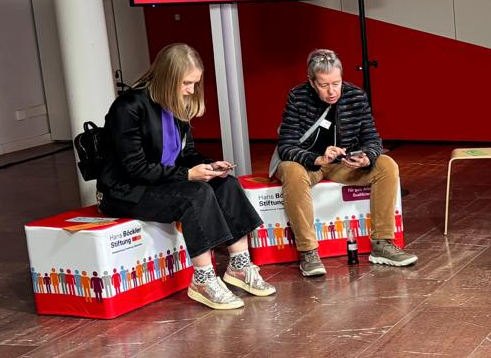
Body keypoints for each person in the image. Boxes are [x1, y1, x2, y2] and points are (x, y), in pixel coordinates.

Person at [98, 43, 274, 310]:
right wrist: (188, 174)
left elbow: (185, 153)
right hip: (125, 191)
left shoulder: (176, 103)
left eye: (195, 83)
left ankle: (239, 264)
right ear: (168, 78)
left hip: (164, 180)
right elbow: (135, 168)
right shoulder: (129, 106)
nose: (191, 90)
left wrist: (209, 165)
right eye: (187, 83)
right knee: (197, 193)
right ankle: (203, 278)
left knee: (225, 182)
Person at [273, 49, 417, 277]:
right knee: (290, 170)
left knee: (387, 165)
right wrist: (317, 158)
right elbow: (286, 145)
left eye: (336, 83)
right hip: (309, 163)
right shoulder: (297, 96)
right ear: (311, 82)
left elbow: (372, 138)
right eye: (323, 85)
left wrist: (367, 156)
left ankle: (382, 243)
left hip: (343, 163)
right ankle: (309, 251)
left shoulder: (356, 95)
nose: (332, 91)